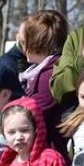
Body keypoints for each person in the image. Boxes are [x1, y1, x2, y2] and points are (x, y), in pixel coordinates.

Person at [15, 10, 70, 156]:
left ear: (35, 42)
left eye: (23, 42)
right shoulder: (37, 71)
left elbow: (29, 111)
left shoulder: (51, 73)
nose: (21, 47)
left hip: (51, 153)